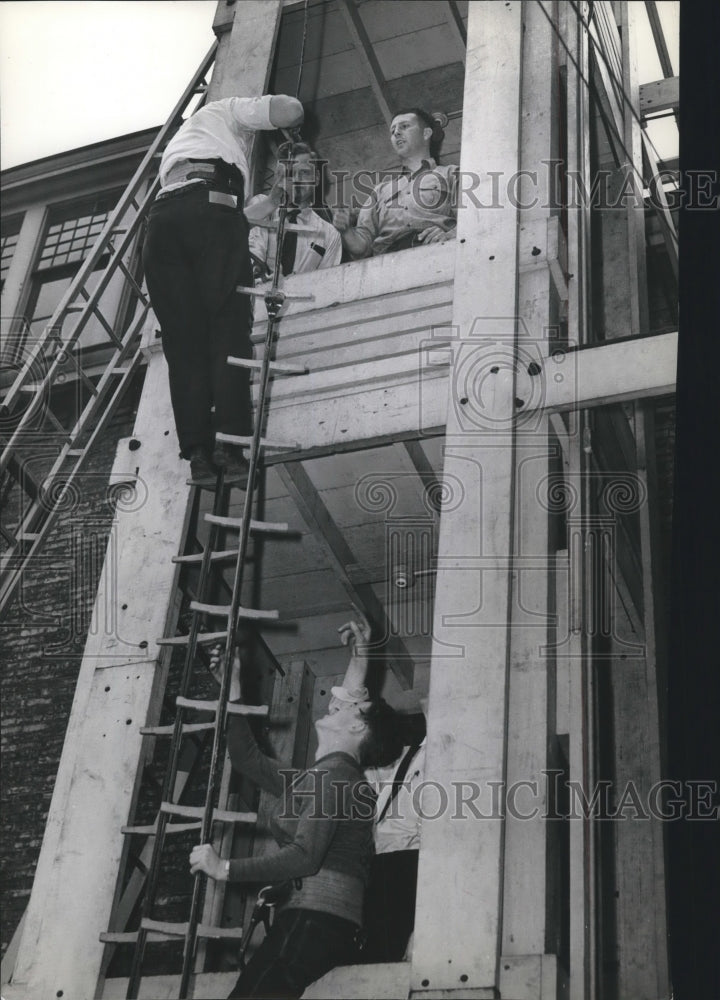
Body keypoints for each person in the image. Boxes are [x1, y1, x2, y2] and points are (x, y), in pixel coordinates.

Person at [189, 621, 403, 999]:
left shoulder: (337, 777)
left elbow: (305, 856)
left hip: (317, 918)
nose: (334, 702)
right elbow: (249, 760)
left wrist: (225, 869)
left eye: (343, 706)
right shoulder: (322, 775)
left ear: (357, 727)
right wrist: (233, 692)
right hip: (315, 919)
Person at [142, 93, 303, 487]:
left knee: (183, 342)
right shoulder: (226, 110)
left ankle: (197, 453)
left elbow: (231, 216)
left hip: (164, 221)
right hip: (211, 207)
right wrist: (291, 128)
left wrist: (274, 198)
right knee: (229, 328)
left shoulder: (191, 146)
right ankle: (229, 449)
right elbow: (290, 109)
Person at [332, 612, 426, 963]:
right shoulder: (371, 767)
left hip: (404, 869)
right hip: (366, 871)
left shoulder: (430, 762)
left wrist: (423, 926)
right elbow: (343, 712)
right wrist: (360, 657)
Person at [333, 107, 458, 258]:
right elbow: (361, 248)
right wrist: (346, 231)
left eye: (404, 126)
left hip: (437, 254)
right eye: (393, 131)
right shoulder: (380, 191)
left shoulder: (451, 174)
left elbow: (473, 219)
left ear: (426, 133)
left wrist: (450, 234)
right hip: (387, 262)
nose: (396, 133)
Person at [245, 141, 342, 279]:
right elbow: (248, 254)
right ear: (277, 178)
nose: (296, 180)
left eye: (304, 172)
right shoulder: (261, 207)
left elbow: (327, 282)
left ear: (316, 178)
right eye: (289, 173)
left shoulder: (330, 234)